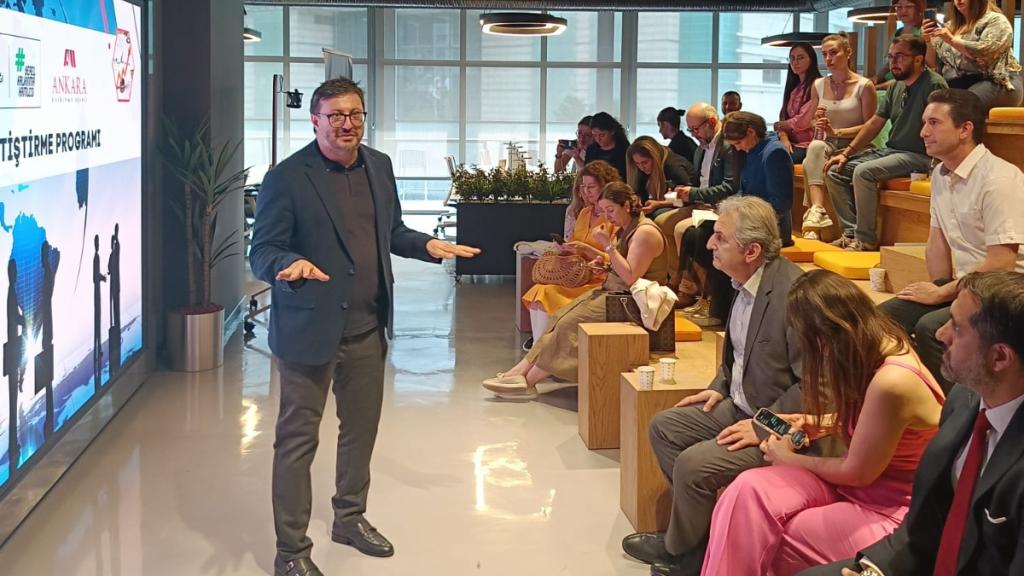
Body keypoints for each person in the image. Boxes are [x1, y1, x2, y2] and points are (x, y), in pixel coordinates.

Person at [249, 77, 479, 576]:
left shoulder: (379, 165)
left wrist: (426, 245)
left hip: (368, 327)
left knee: (360, 433)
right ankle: (291, 550)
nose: (347, 124)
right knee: (297, 443)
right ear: (315, 121)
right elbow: (261, 250)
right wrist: (288, 263)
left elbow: (391, 232)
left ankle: (349, 519)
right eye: (335, 115)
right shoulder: (287, 178)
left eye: (355, 114)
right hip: (309, 332)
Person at [701, 269, 945, 576]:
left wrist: (787, 458)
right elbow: (879, 425)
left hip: (890, 512)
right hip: (859, 491)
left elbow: (857, 472)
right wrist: (819, 421)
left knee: (775, 536)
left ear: (827, 334)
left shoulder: (892, 381)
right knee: (746, 492)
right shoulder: (879, 346)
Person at [621, 196, 803, 576]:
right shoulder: (744, 279)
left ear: (752, 251)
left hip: (780, 426)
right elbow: (738, 352)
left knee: (693, 465)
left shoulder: (793, 296)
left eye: (720, 237)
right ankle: (699, 537)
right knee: (665, 428)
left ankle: (685, 554)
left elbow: (816, 387)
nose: (708, 244)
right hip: (739, 404)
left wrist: (762, 426)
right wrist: (720, 385)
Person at [800, 271, 1024, 576]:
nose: (939, 333)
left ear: (1000, 357)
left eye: (957, 328)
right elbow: (926, 525)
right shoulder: (964, 400)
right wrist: (873, 568)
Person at [880, 88, 1024, 395]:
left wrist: (943, 293)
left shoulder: (999, 179)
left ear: (965, 129)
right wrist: (939, 288)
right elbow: (938, 240)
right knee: (884, 318)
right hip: (966, 285)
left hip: (1007, 290)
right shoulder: (940, 175)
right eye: (924, 123)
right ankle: (915, 397)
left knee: (930, 328)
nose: (923, 132)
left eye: (934, 123)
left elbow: (1002, 262)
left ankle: (961, 407)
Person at [482, 182, 669, 400]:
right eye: (605, 211)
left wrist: (607, 246)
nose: (608, 217)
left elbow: (630, 277)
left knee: (570, 324)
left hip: (633, 303)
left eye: (611, 210)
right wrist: (604, 264)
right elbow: (622, 267)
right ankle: (520, 372)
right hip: (616, 294)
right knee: (560, 317)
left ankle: (528, 381)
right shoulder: (627, 228)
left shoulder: (645, 233)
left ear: (626, 205)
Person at [824, 35, 947, 251]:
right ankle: (850, 233)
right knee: (834, 170)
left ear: (918, 59)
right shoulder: (895, 86)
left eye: (900, 57)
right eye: (890, 57)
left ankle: (865, 240)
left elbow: (942, 125)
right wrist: (846, 153)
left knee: (863, 172)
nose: (893, 62)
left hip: (920, 156)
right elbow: (874, 123)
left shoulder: (934, 84)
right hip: (893, 151)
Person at [522, 160, 622, 349]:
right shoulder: (584, 213)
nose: (586, 191)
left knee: (546, 292)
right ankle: (539, 347)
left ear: (605, 186)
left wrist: (585, 249)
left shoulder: (613, 217)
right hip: (577, 274)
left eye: (591, 187)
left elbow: (615, 259)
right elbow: (576, 244)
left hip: (598, 279)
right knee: (539, 290)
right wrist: (566, 248)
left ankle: (539, 351)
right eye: (583, 186)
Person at [668, 102, 742, 320]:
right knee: (666, 223)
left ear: (711, 122)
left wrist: (693, 194)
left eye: (696, 129)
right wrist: (684, 192)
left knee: (685, 231)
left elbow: (730, 186)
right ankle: (679, 283)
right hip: (701, 204)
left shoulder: (728, 146)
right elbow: (697, 180)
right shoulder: (700, 148)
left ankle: (692, 291)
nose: (694, 134)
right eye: (690, 129)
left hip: (718, 206)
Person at [801, 33, 878, 240]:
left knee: (811, 161)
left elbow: (871, 126)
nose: (828, 59)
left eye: (834, 53)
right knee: (815, 147)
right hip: (827, 144)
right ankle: (818, 210)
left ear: (848, 53)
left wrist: (838, 132)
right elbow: (811, 121)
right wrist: (818, 121)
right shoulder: (818, 84)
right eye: (825, 54)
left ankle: (815, 223)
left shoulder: (864, 86)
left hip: (856, 146)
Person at [924, 0, 1023, 110]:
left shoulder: (996, 20)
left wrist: (952, 40)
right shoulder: (949, 26)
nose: (959, 0)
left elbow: (984, 54)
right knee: (927, 103)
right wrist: (928, 40)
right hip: (958, 83)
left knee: (959, 107)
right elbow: (933, 64)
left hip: (995, 81)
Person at [722, 111, 795, 245]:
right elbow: (744, 191)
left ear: (751, 132)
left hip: (771, 228)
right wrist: (727, 207)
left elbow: (781, 204)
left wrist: (743, 213)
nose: (737, 148)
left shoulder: (775, 153)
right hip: (751, 221)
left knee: (708, 236)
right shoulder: (753, 149)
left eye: (738, 142)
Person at [775, 42, 822, 164]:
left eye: (800, 58)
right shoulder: (794, 88)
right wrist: (784, 137)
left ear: (811, 60)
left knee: (777, 158)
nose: (795, 62)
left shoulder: (818, 84)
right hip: (791, 141)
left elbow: (804, 121)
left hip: (809, 145)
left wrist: (780, 125)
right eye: (792, 58)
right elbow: (783, 117)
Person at [627, 135, 697, 208]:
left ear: (655, 157)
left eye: (645, 162)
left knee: (658, 213)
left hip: (690, 205)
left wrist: (660, 204)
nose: (641, 168)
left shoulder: (673, 166)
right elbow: (641, 193)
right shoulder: (643, 169)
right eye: (637, 163)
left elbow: (688, 197)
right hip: (667, 203)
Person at [875, 0, 928, 92]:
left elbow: (925, 69)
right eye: (899, 7)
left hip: (908, 86)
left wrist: (878, 87)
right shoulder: (897, 32)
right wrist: (875, 78)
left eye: (909, 6)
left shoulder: (925, 32)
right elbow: (888, 64)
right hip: (888, 83)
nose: (903, 10)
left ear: (920, 7)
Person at [584, 111, 630, 180]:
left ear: (612, 131)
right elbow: (586, 172)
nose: (598, 139)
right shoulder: (591, 149)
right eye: (595, 135)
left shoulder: (624, 150)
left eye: (602, 135)